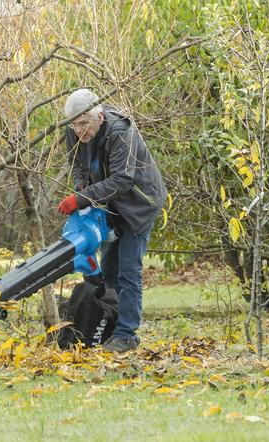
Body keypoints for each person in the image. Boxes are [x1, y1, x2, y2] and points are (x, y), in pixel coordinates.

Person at [57, 89, 167, 353]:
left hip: (139, 204)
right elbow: (78, 167)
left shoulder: (120, 132)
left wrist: (81, 198)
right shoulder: (72, 132)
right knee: (107, 268)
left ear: (100, 114)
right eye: (74, 124)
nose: (79, 130)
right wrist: (81, 190)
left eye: (84, 123)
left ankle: (127, 335)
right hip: (109, 204)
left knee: (128, 269)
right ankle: (111, 328)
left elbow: (122, 180)